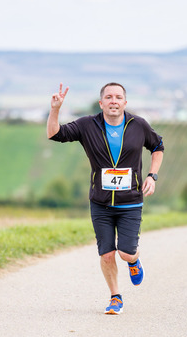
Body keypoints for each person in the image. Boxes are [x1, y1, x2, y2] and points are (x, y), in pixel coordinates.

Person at [46, 82, 164, 314]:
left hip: (130, 201)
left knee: (125, 252)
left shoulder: (138, 125)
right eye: (108, 97)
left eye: (118, 97)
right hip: (100, 203)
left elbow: (158, 146)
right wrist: (55, 109)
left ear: (125, 103)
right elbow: (54, 134)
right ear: (101, 103)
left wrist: (152, 176)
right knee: (107, 253)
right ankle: (115, 297)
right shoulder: (87, 125)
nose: (113, 101)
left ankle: (133, 260)